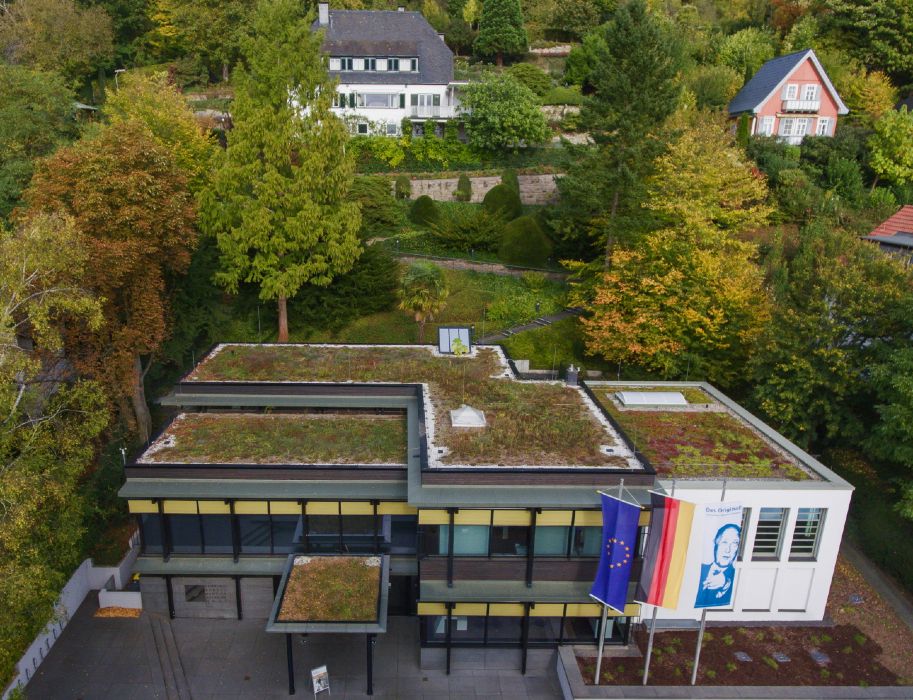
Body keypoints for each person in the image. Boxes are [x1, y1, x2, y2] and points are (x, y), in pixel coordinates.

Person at [694, 523, 741, 608]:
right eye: (724, 542)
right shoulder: (699, 568)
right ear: (716, 543)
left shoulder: (736, 575)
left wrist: (725, 581)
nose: (728, 550)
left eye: (734, 544)